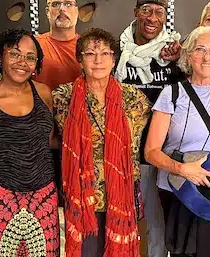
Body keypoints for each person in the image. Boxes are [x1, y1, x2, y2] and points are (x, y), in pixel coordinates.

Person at [52, 28, 151, 257]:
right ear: (80, 59)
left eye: (105, 54)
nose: (98, 60)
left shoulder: (134, 99)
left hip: (122, 196)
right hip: (83, 198)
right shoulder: (62, 97)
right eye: (90, 54)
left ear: (114, 59)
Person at [0, 29, 60, 257]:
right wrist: (10, 163)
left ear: (36, 64)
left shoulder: (44, 93)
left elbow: (49, 141)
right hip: (1, 197)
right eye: (15, 54)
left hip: (44, 195)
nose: (22, 62)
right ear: (0, 57)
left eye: (30, 57)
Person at [144, 26, 210, 257]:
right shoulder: (172, 94)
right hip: (180, 188)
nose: (207, 56)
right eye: (199, 49)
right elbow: (151, 152)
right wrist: (182, 169)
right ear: (187, 55)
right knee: (184, 252)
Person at [114, 0, 182, 257]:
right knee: (124, 221)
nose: (152, 18)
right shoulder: (118, 52)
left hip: (161, 153)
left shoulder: (173, 53)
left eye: (159, 12)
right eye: (146, 10)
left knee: (158, 222)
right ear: (135, 13)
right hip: (122, 152)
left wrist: (179, 61)